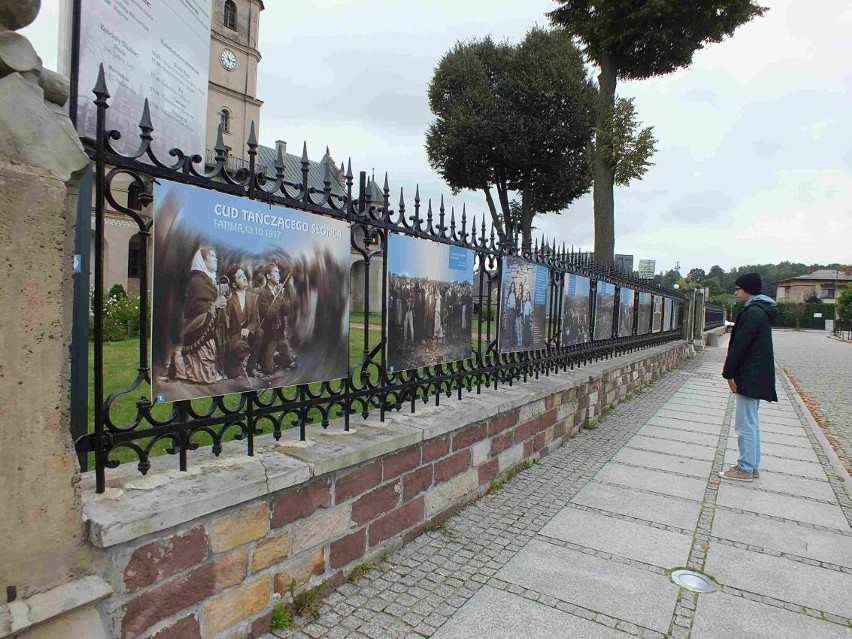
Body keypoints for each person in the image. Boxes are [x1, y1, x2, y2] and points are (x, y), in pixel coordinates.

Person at [719, 272, 778, 482]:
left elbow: (739, 347)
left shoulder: (753, 313)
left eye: (738, 289)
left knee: (745, 424)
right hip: (755, 374)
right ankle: (752, 466)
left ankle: (745, 468)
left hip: (749, 375)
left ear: (747, 290)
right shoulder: (760, 311)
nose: (735, 292)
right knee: (751, 422)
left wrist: (729, 373)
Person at [181, 246, 227, 384]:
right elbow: (196, 306)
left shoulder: (208, 279)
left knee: (212, 349)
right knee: (206, 351)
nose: (216, 259)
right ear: (203, 261)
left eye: (215, 256)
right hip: (198, 325)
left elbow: (211, 298)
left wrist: (221, 298)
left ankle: (209, 372)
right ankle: (199, 374)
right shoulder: (197, 280)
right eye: (212, 256)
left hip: (209, 326)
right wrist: (215, 304)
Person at [223, 266, 265, 379]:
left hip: (246, 336)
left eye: (244, 275)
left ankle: (251, 367)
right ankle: (234, 365)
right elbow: (224, 323)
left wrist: (248, 329)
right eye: (240, 277)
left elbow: (256, 320)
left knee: (259, 332)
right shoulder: (230, 298)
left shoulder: (251, 297)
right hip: (234, 338)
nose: (244, 278)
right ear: (234, 285)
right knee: (234, 374)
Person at [257, 262, 296, 374]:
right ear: (268, 276)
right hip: (269, 335)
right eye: (275, 272)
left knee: (290, 361)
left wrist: (282, 298)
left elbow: (286, 312)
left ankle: (279, 358)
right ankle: (264, 356)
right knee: (268, 370)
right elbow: (268, 314)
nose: (279, 275)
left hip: (279, 334)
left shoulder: (280, 290)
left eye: (279, 272)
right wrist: (279, 298)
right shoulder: (263, 293)